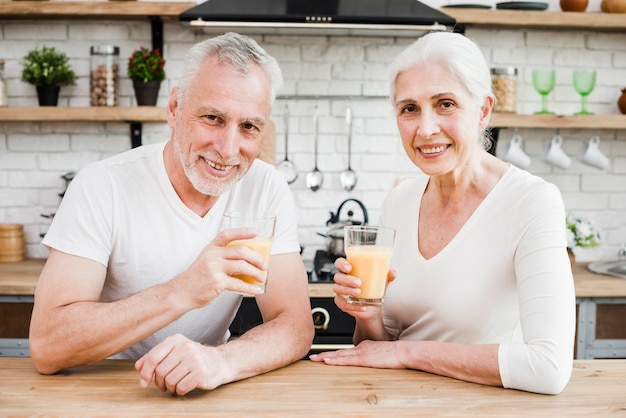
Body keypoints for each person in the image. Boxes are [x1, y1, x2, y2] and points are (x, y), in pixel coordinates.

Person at [29, 32, 314, 396]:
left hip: (205, 389)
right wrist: (183, 291)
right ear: (175, 108)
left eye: (249, 127)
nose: (228, 150)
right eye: (212, 118)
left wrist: (221, 361)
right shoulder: (103, 185)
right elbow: (47, 345)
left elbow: (295, 325)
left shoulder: (265, 187)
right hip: (103, 390)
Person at [310, 31, 576, 395]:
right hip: (395, 403)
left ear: (483, 110)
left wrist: (407, 353)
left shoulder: (532, 201)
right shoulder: (398, 201)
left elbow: (548, 367)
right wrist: (368, 314)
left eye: (445, 104)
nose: (426, 128)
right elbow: (380, 350)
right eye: (409, 109)